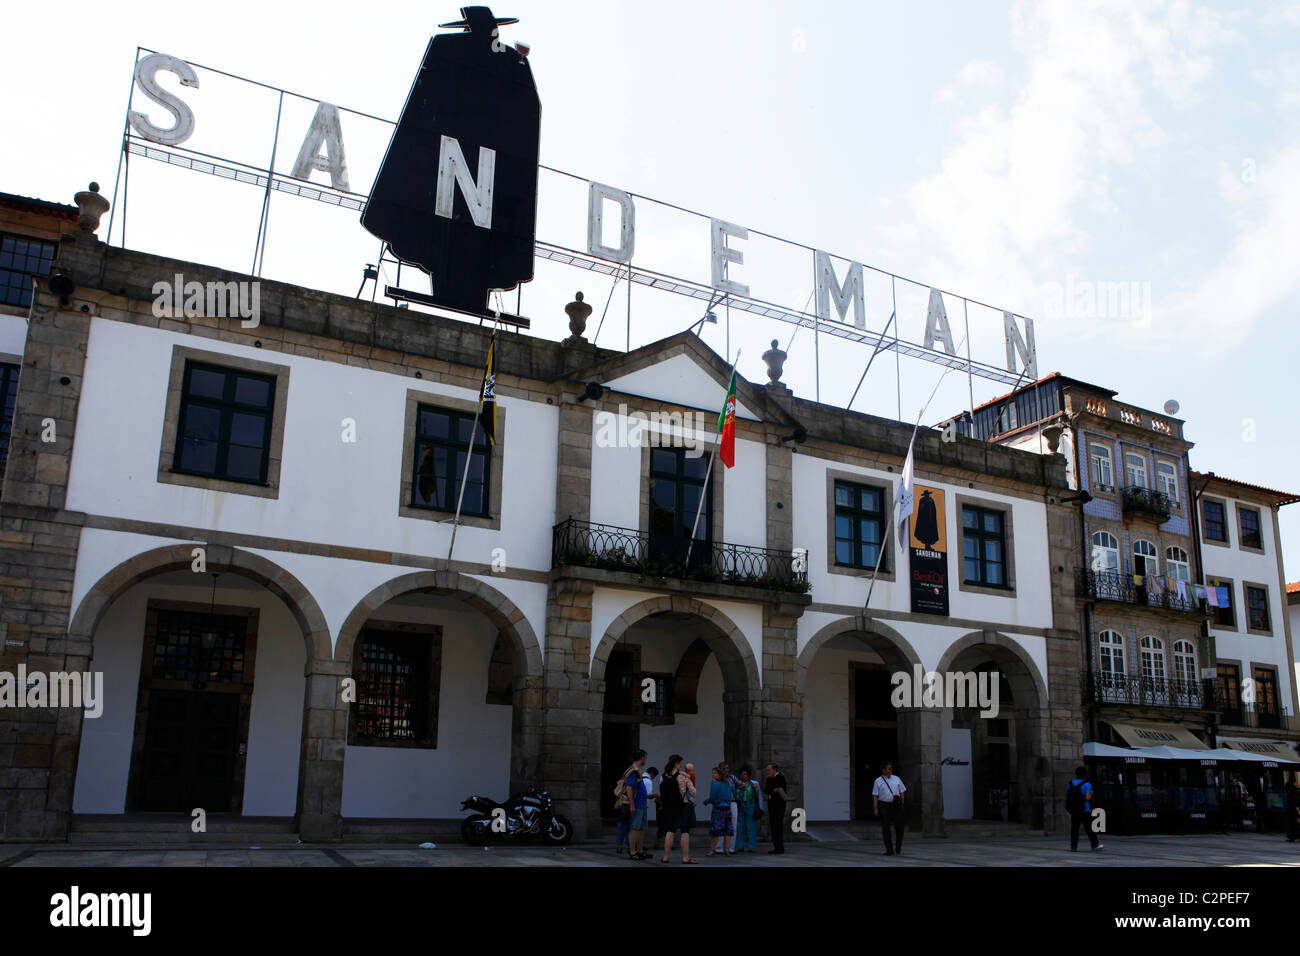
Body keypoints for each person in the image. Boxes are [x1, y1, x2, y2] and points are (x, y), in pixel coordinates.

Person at [660, 754, 697, 864]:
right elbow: (693, 792)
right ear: (677, 763)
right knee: (685, 831)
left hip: (670, 806)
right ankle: (685, 858)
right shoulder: (683, 777)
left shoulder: (663, 776)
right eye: (680, 763)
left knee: (670, 830)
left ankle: (665, 857)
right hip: (684, 805)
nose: (681, 766)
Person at [872, 761, 907, 856]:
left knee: (900, 827)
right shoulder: (878, 781)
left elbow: (902, 790)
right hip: (884, 805)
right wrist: (875, 808)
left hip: (896, 805)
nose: (891, 770)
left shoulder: (897, 779)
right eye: (889, 768)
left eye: (891, 768)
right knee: (885, 827)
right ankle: (889, 849)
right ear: (883, 770)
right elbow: (875, 795)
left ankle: (898, 846)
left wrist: (902, 802)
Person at [1066, 765, 1103, 852]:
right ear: (1084, 775)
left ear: (1076, 774)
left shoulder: (1070, 783)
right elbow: (1088, 798)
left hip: (1074, 809)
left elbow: (1068, 795)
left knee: (1074, 828)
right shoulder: (1087, 784)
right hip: (1084, 809)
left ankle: (1073, 846)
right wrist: (1091, 793)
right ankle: (1095, 845)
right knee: (1089, 828)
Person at [624, 749, 649, 861]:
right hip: (637, 804)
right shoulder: (633, 771)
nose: (646, 760)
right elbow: (629, 788)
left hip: (642, 804)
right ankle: (632, 851)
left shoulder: (637, 770)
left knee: (642, 828)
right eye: (645, 757)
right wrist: (632, 805)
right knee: (635, 827)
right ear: (642, 758)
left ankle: (640, 850)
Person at [704, 766, 735, 855]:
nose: (712, 774)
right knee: (728, 829)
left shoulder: (715, 784)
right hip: (727, 809)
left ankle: (712, 850)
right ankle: (727, 850)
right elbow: (729, 797)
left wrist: (705, 802)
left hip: (718, 809)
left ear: (719, 774)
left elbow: (712, 798)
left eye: (714, 773)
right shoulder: (727, 784)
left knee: (716, 830)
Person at [734, 765, 761, 853]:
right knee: (740, 826)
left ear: (749, 775)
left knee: (751, 826)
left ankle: (751, 847)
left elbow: (757, 797)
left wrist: (756, 790)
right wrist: (739, 789)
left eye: (745, 774)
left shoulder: (754, 783)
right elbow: (735, 796)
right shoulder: (737, 784)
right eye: (742, 774)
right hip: (741, 806)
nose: (743, 776)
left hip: (751, 805)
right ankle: (740, 846)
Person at [764, 763, 789, 854]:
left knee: (778, 826)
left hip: (779, 806)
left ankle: (780, 847)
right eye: (767, 770)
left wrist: (775, 789)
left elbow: (780, 790)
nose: (767, 772)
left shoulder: (781, 778)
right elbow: (767, 790)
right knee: (773, 826)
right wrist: (774, 790)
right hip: (771, 805)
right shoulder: (769, 779)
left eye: (769, 770)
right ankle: (776, 847)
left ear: (774, 770)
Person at [721, 762, 740, 853]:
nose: (726, 770)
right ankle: (719, 848)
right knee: (720, 825)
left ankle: (731, 848)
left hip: (732, 802)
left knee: (733, 826)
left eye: (727, 768)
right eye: (724, 768)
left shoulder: (732, 777)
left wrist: (743, 785)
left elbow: (740, 785)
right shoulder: (717, 778)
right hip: (721, 803)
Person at [1284, 777, 1299, 844]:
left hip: (1292, 811)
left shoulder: (1291, 793)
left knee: (1292, 824)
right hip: (1293, 811)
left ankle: (1292, 837)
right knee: (1294, 824)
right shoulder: (1294, 792)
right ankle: (1293, 836)